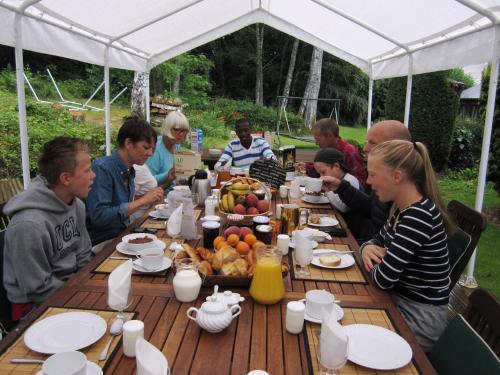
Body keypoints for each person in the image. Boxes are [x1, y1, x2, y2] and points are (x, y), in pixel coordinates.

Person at [361, 140, 452, 352]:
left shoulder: (417, 217)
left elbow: (383, 279)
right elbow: (374, 241)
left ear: (397, 177)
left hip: (418, 318)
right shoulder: (403, 210)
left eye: (373, 174)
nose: (367, 181)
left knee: (359, 341)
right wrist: (366, 249)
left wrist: (379, 257)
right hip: (399, 299)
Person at [3, 137, 95, 321]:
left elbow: (84, 255)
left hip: (72, 288)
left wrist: (89, 289)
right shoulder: (28, 225)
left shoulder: (77, 205)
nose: (93, 175)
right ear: (66, 178)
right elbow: (37, 288)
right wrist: (82, 299)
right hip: (33, 307)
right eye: (87, 170)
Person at [321, 120, 411, 243]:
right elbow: (371, 208)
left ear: (395, 148)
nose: (365, 148)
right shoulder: (389, 181)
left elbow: (379, 239)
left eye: (372, 142)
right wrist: (340, 187)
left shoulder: (410, 205)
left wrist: (347, 224)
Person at [86, 117, 164, 247]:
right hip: (103, 243)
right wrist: (143, 201)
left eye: (152, 149)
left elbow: (121, 209)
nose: (150, 153)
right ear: (128, 143)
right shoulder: (103, 168)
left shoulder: (130, 170)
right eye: (146, 147)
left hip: (123, 235)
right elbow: (99, 217)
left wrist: (149, 199)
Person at [299, 118, 367, 187]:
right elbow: (321, 171)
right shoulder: (327, 149)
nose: (316, 143)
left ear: (330, 136)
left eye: (318, 139)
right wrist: (306, 167)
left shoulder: (349, 152)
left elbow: (360, 183)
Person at [146, 111, 190, 189]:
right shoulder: (155, 149)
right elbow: (147, 181)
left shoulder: (176, 144)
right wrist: (169, 174)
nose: (181, 134)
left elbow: (176, 176)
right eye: (177, 130)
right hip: (159, 196)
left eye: (184, 131)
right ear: (168, 128)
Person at [313, 148, 360, 213]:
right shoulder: (338, 179)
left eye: (323, 172)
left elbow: (344, 208)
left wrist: (328, 190)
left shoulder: (350, 180)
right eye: (319, 174)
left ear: (337, 166)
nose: (321, 177)